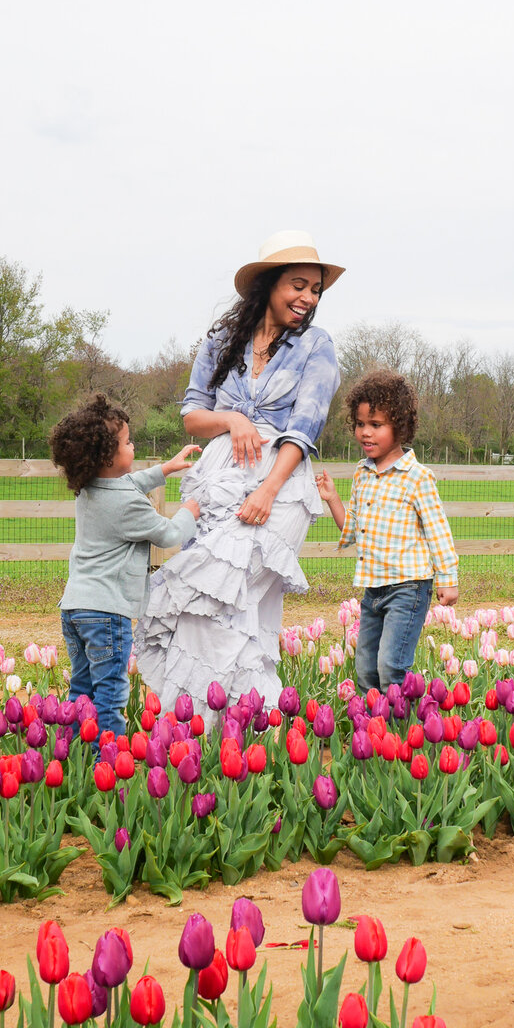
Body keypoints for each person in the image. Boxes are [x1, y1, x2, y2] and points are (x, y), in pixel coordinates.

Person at [135, 230, 343, 713]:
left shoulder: (317, 346)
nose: (308, 298)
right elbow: (192, 414)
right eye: (298, 285)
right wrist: (233, 418)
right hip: (218, 481)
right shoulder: (222, 342)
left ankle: (214, 725)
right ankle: (235, 730)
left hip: (281, 487)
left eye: (315, 289)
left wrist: (268, 490)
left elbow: (305, 426)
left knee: (226, 598)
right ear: (268, 284)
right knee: (211, 609)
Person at [50, 393, 201, 736]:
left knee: (82, 691)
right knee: (110, 696)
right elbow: (168, 534)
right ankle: (108, 761)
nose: (133, 445)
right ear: (107, 455)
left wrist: (166, 469)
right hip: (106, 613)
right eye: (128, 442)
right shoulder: (127, 506)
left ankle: (74, 754)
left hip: (74, 608)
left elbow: (128, 482)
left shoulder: (88, 488)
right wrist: (189, 512)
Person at [316, 370, 458, 695]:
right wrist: (333, 499)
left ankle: (401, 733)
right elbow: (352, 530)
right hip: (373, 590)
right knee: (365, 667)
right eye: (360, 423)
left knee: (390, 666)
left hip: (408, 588)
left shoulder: (417, 477)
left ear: (400, 426)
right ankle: (373, 732)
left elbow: (439, 532)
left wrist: (448, 579)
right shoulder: (361, 474)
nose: (365, 433)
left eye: (376, 425)